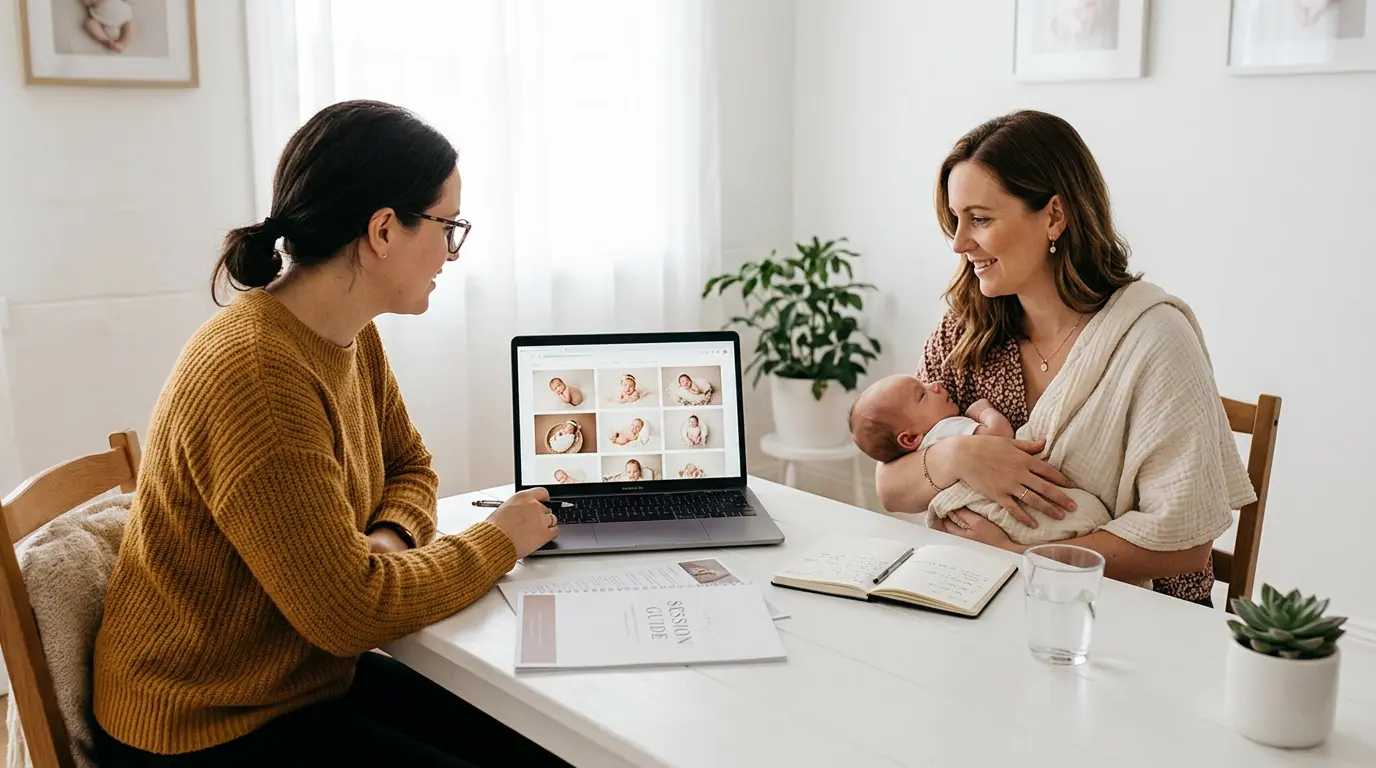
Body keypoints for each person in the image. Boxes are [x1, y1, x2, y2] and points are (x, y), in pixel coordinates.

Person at [91, 100, 567, 767]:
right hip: (205, 723)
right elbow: (350, 615)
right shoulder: (257, 375)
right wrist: (500, 540)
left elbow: (411, 466)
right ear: (382, 229)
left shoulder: (347, 333)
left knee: (541, 745)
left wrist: (386, 539)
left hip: (297, 682)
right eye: (449, 226)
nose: (453, 253)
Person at [874, 109, 1254, 606]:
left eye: (980, 219)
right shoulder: (967, 330)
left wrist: (1020, 556)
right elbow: (891, 487)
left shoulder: (1153, 339)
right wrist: (959, 455)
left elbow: (1186, 544)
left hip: (1132, 613)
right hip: (981, 596)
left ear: (1054, 215)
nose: (960, 243)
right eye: (956, 220)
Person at [848, 374, 1012, 463]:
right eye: (922, 394)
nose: (935, 384)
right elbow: (1001, 435)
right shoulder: (945, 430)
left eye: (924, 382)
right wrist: (983, 411)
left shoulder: (919, 456)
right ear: (910, 438)